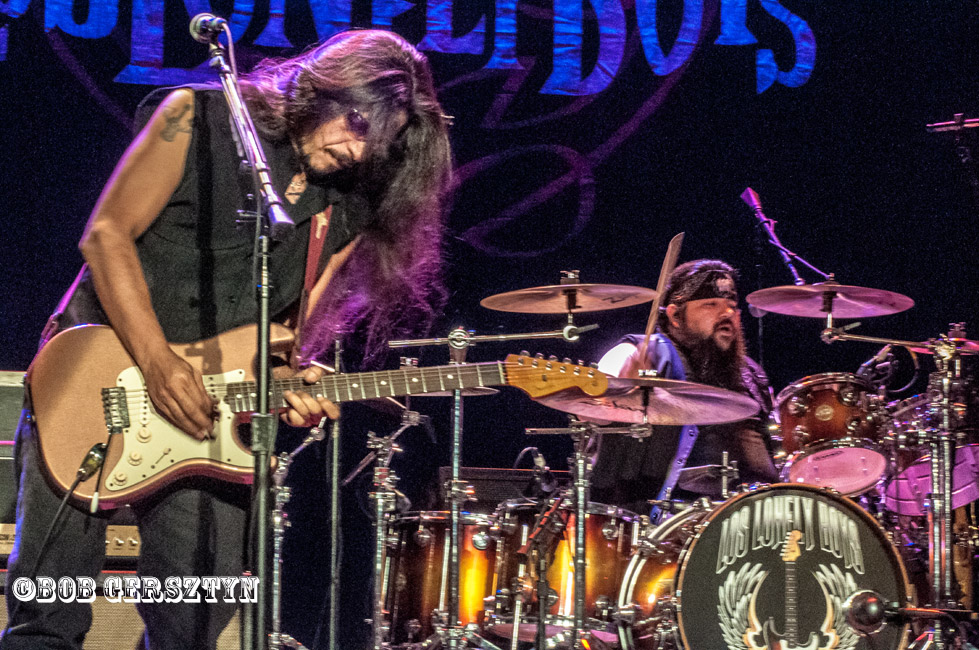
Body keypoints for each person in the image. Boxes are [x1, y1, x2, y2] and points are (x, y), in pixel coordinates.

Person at [3, 29, 451, 649]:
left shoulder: (345, 205)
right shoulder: (193, 116)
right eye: (355, 122)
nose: (358, 148)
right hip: (95, 377)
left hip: (207, 420)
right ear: (326, 88)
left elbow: (285, 335)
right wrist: (158, 363)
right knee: (49, 609)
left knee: (195, 620)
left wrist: (290, 383)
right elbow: (106, 235)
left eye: (377, 140)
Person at [590, 260, 777, 516]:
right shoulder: (639, 352)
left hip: (757, 518)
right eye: (710, 304)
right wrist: (616, 389)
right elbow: (588, 402)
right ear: (675, 316)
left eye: (732, 306)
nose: (727, 314)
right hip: (665, 523)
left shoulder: (751, 374)